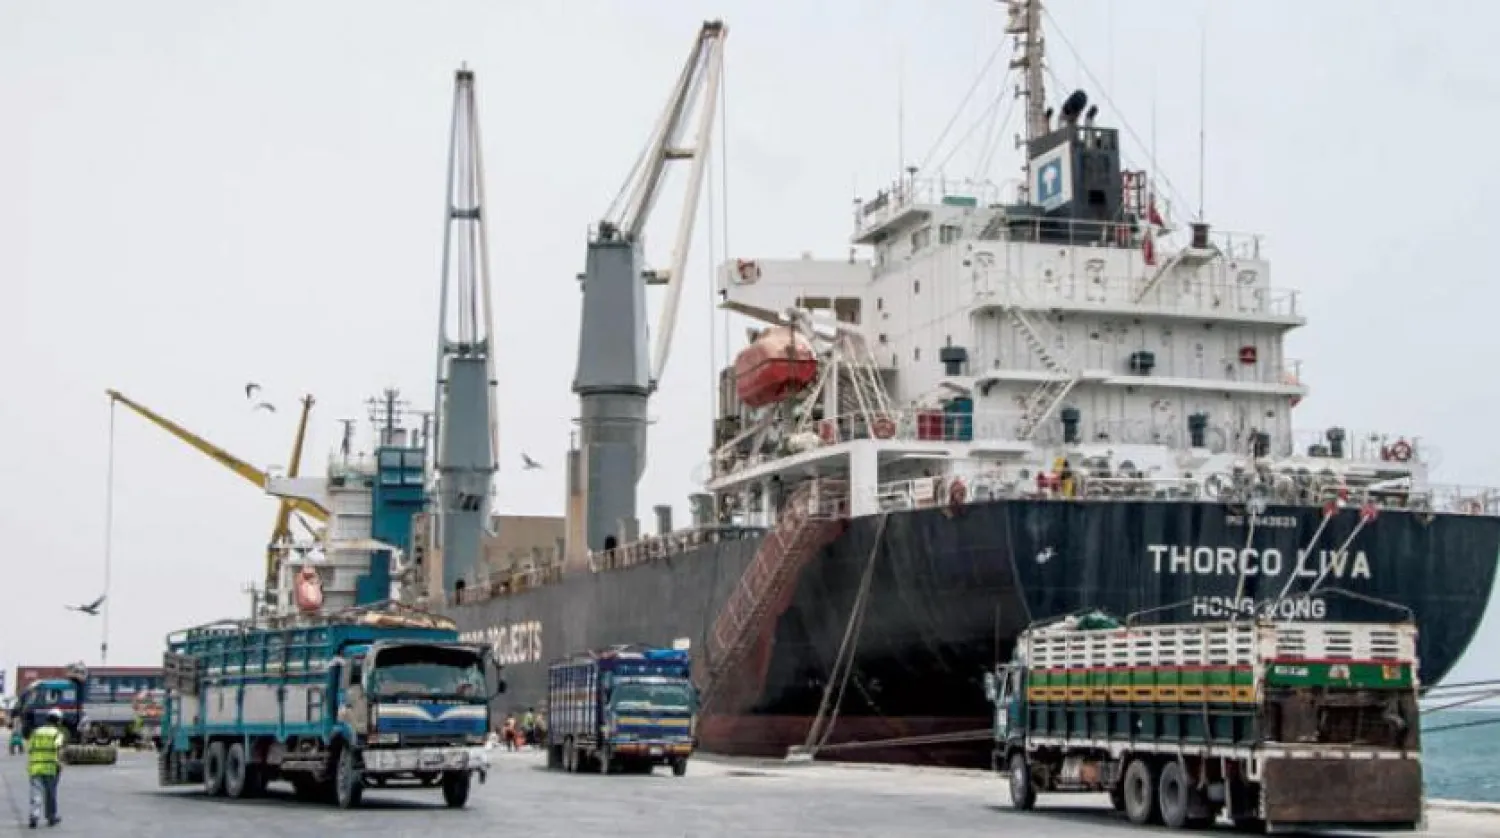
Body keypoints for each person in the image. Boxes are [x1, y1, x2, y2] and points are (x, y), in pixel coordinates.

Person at [27, 709, 66, 828]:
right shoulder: (57, 733)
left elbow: (30, 748)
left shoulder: (36, 732)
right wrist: (60, 763)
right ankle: (51, 817)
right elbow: (58, 748)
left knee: (36, 792)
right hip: (50, 766)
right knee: (50, 793)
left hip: (35, 765)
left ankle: (34, 816)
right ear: (58, 721)